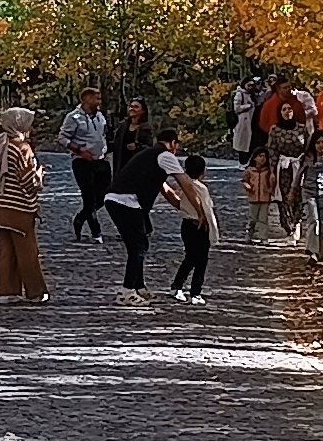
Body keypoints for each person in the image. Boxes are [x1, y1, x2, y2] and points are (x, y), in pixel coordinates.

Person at [0, 107, 49, 301]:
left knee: (7, 250)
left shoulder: (2, 143)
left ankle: (7, 291)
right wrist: (39, 175)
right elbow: (27, 182)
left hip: (0, 204)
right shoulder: (22, 147)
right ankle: (36, 292)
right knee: (27, 251)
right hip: (18, 205)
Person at [104, 127, 160, 303]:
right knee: (138, 247)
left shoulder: (147, 156)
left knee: (139, 245)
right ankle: (127, 291)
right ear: (174, 144)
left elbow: (165, 189)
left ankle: (138, 286)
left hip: (122, 199)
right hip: (126, 201)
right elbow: (183, 182)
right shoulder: (164, 157)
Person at [159, 135, 218, 303]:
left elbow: (177, 200)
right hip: (199, 226)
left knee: (190, 257)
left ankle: (177, 286)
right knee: (201, 261)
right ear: (202, 172)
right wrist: (213, 232)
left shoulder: (183, 186)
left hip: (186, 224)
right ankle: (195, 292)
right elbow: (207, 209)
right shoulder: (201, 188)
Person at [58, 86, 113, 244]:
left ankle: (80, 218)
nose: (99, 101)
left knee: (103, 196)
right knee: (88, 196)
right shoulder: (74, 117)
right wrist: (79, 150)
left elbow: (103, 135)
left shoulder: (100, 116)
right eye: (96, 98)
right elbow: (62, 138)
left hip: (101, 160)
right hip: (82, 161)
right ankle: (96, 232)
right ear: (86, 99)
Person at [267, 91, 317, 245]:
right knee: (284, 197)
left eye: (290, 109)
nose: (287, 112)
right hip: (283, 167)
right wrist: (272, 171)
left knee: (298, 196)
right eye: (284, 110)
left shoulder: (301, 129)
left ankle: (297, 225)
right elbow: (272, 150)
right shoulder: (275, 130)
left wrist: (307, 165)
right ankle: (287, 226)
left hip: (299, 165)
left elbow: (309, 148)